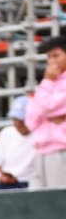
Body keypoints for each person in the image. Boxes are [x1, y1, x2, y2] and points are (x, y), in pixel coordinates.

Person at [23, 35, 66, 188]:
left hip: (61, 150)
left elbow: (45, 107)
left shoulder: (48, 82)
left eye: (56, 56)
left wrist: (47, 112)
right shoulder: (47, 82)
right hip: (39, 150)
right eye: (49, 57)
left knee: (58, 202)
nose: (51, 61)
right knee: (37, 202)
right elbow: (30, 119)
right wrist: (50, 114)